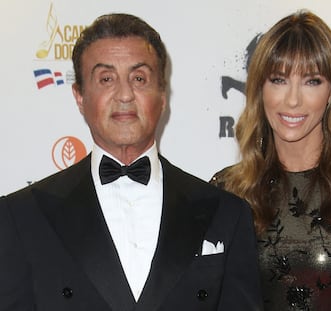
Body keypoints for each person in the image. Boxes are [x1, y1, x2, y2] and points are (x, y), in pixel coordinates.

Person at [0, 13, 263, 311]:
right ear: (80, 97)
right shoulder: (21, 217)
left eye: (139, 79)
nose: (124, 95)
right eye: (106, 79)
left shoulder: (226, 214)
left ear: (162, 95)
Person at [210, 9, 331, 311]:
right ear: (259, 89)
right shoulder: (228, 189)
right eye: (278, 79)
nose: (292, 100)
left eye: (311, 81)